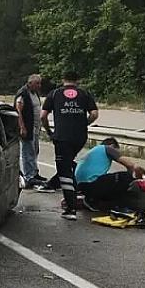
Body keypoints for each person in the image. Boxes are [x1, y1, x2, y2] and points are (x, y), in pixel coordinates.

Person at [41, 71, 99, 220]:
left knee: (64, 171)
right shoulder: (85, 94)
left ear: (63, 79)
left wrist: (49, 131)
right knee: (68, 164)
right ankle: (74, 194)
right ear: (77, 80)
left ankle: (71, 208)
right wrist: (84, 124)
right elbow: (94, 114)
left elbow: (43, 115)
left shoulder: (54, 94)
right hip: (79, 137)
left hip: (62, 137)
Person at [75, 138, 145, 211]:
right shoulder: (107, 148)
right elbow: (131, 166)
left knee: (111, 181)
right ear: (112, 146)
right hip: (92, 185)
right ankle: (122, 205)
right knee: (124, 177)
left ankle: (94, 201)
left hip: (82, 187)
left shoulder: (92, 151)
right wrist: (132, 181)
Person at [15, 74, 46, 190]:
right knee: (28, 152)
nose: (39, 86)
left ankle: (34, 172)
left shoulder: (35, 93)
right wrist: (22, 127)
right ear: (30, 83)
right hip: (27, 127)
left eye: (40, 83)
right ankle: (29, 176)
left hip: (36, 128)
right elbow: (18, 110)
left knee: (35, 151)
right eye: (37, 83)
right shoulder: (23, 93)